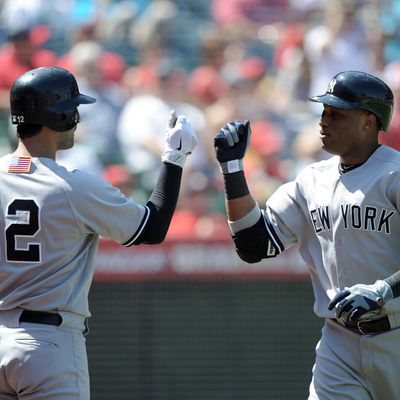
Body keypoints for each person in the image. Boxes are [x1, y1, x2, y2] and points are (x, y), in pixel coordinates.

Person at [0, 66, 197, 399]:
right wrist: (175, 156)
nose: (77, 116)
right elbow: (151, 227)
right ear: (59, 116)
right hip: (48, 344)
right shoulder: (73, 186)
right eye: (72, 108)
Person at [214, 70, 400, 399]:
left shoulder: (394, 175)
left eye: (337, 114)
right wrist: (232, 169)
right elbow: (253, 245)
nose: (324, 122)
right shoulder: (310, 180)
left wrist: (383, 291)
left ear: (369, 122)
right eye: (324, 112)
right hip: (340, 342)